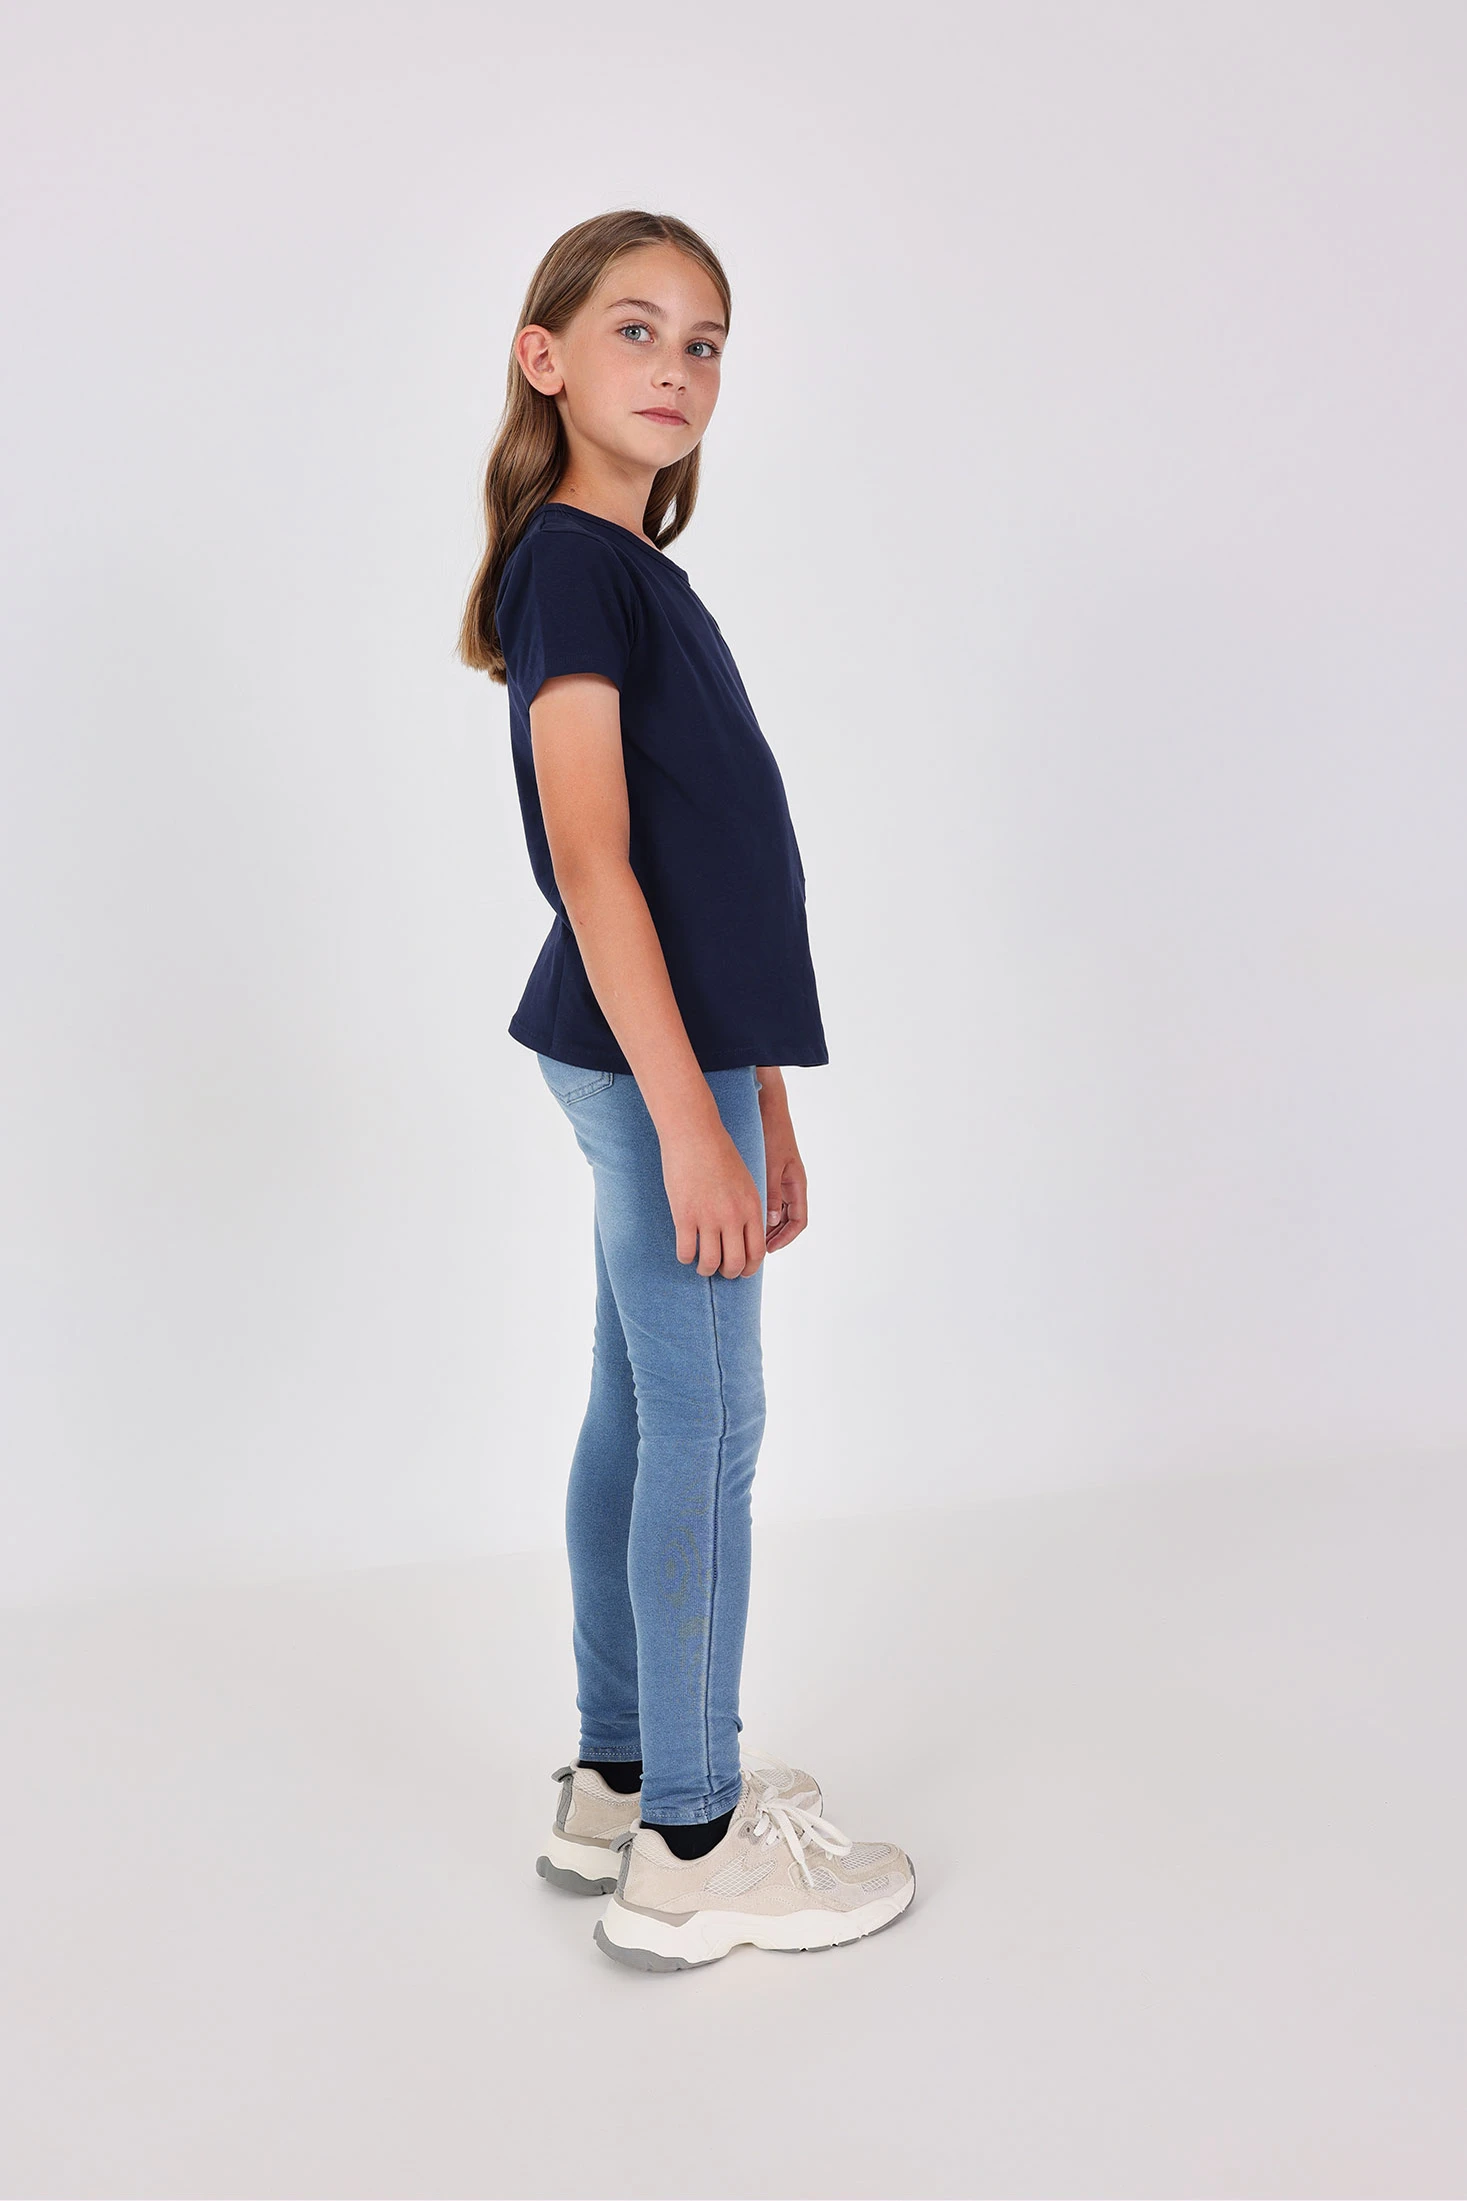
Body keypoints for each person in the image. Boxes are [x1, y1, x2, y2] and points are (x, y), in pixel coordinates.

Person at [457, 209, 915, 1969]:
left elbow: (714, 872)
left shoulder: (628, 571)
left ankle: (621, 1776)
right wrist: (685, 1123)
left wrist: (759, 1103)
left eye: (704, 340)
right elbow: (593, 862)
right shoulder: (573, 566)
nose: (676, 366)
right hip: (646, 1066)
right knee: (708, 1426)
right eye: (634, 329)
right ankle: (696, 1846)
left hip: (675, 1056)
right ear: (545, 357)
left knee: (644, 1411)